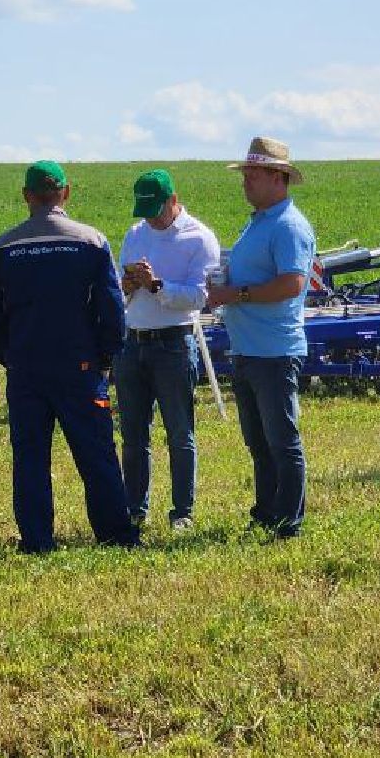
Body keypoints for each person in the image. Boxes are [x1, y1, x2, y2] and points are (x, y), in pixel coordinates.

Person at [0, 161, 138, 552]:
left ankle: (37, 540)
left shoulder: (3, 247)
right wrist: (105, 355)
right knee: (96, 454)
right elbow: (112, 308)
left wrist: (7, 356)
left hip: (26, 367)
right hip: (80, 367)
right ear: (66, 193)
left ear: (26, 196)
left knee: (30, 458)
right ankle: (114, 535)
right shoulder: (91, 242)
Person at [206, 137, 314, 538]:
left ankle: (289, 521)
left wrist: (235, 294)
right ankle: (268, 511)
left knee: (282, 440)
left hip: (274, 349)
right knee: (258, 440)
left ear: (276, 176)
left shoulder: (288, 226)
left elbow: (291, 283)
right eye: (245, 175)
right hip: (248, 347)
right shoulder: (259, 221)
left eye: (252, 175)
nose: (245, 182)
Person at [115, 169, 221, 532]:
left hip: (174, 343)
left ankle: (182, 512)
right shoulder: (134, 235)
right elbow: (119, 290)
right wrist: (128, 283)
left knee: (179, 431)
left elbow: (199, 297)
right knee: (132, 434)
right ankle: (134, 508)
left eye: (155, 210)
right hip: (133, 342)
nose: (149, 219)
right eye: (143, 211)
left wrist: (157, 284)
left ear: (173, 201)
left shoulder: (199, 238)